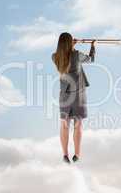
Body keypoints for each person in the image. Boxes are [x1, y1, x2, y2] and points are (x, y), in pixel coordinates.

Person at [52, 32, 96, 163]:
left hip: (64, 95)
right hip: (78, 94)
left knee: (64, 124)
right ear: (70, 43)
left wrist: (71, 46)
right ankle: (77, 154)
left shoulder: (55, 57)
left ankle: (65, 154)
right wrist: (93, 46)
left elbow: (64, 55)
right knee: (78, 124)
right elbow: (90, 59)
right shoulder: (76, 55)